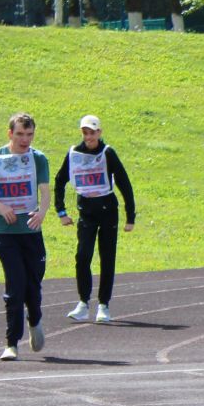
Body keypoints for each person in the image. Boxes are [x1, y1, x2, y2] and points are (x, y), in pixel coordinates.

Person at [0, 112, 51, 361]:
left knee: (33, 286)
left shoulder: (38, 159)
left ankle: (35, 319)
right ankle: (11, 343)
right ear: (10, 134)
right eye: (19, 134)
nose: (24, 139)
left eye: (29, 134)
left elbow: (45, 191)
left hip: (30, 231)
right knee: (15, 286)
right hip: (5, 232)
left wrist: (42, 212)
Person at [54, 114, 137, 324]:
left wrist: (130, 217)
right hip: (86, 213)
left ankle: (103, 305)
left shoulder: (107, 153)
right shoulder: (74, 153)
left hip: (108, 210)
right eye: (85, 132)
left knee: (107, 258)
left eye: (92, 132)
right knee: (82, 256)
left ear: (99, 133)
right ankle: (83, 303)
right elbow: (60, 180)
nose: (89, 136)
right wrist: (61, 212)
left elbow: (124, 183)